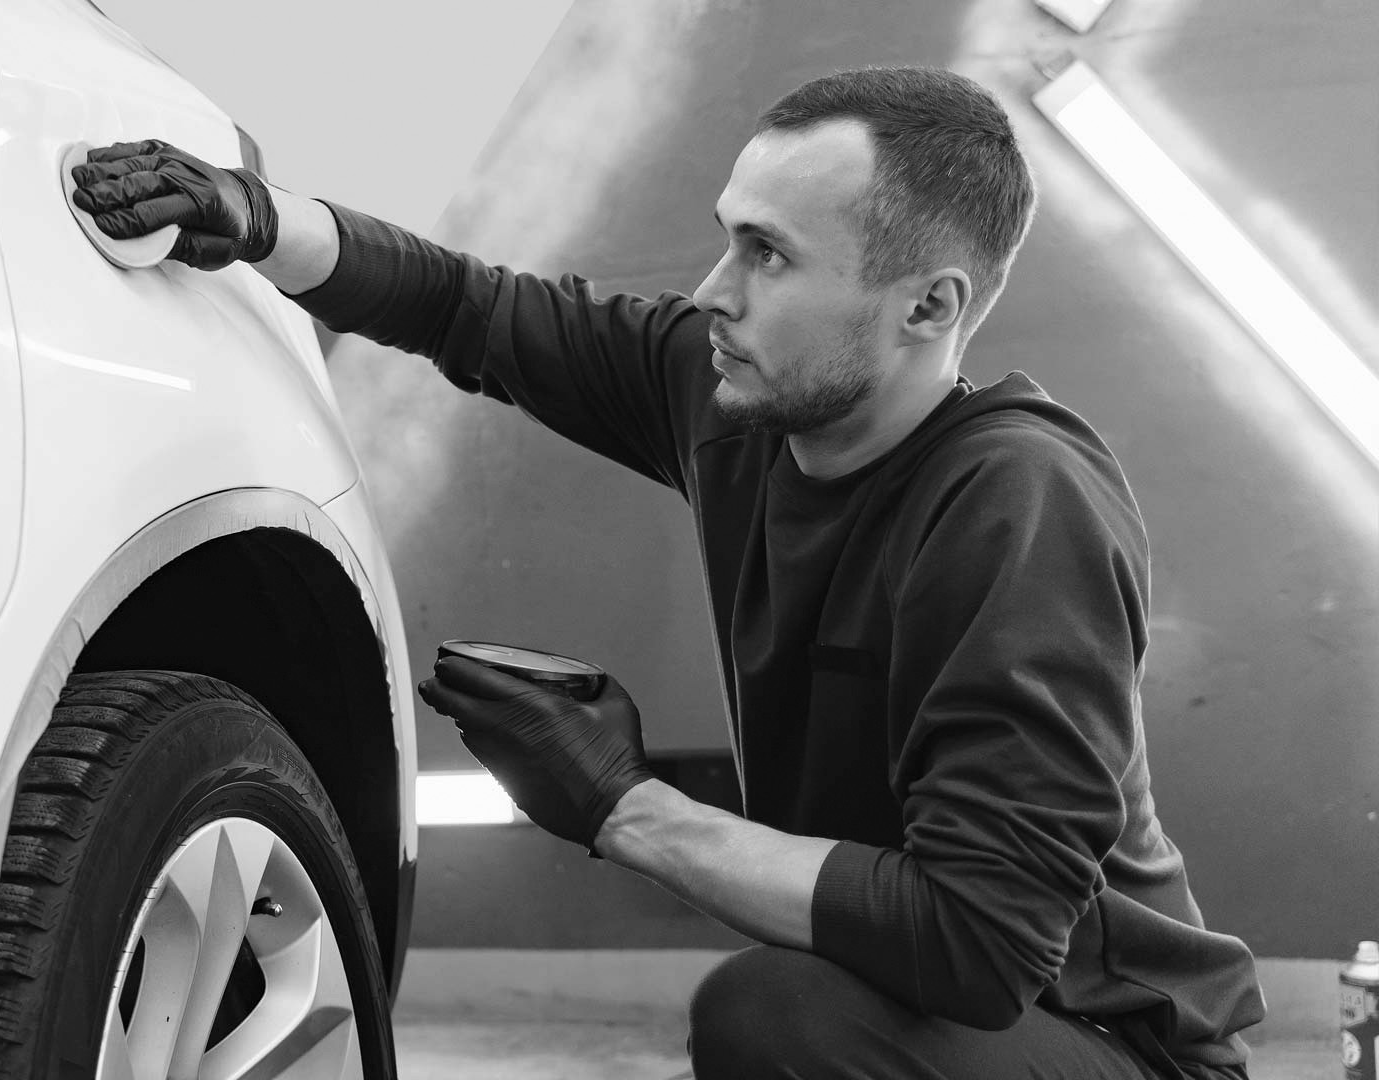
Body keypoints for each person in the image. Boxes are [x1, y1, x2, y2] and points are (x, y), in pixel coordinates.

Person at [69, 65, 1264, 1080]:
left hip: (1114, 1042)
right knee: (789, 1007)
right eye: (729, 236)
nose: (714, 293)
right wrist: (258, 219)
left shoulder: (1019, 504)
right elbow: (471, 310)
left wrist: (622, 806)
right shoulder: (735, 396)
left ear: (927, 307)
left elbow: (980, 948)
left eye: (770, 255)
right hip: (947, 1010)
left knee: (777, 1020)